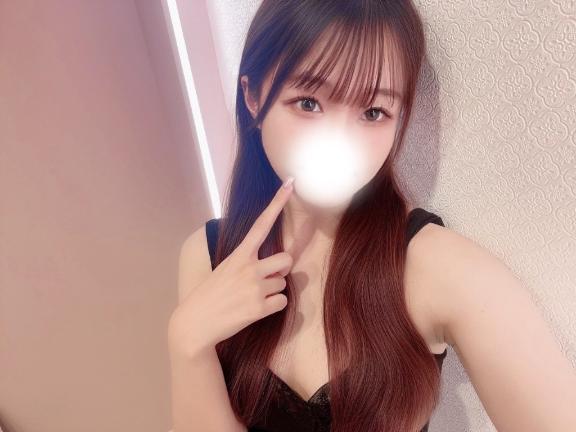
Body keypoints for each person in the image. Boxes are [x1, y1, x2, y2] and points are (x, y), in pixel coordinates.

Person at [167, 1, 576, 431]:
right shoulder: (208, 256)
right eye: (308, 102)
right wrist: (187, 343)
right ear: (252, 97)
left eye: (373, 112)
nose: (337, 140)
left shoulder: (436, 266)